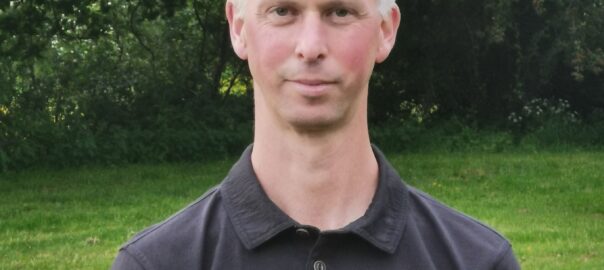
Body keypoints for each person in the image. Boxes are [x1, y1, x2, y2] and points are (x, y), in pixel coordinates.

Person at [112, 0, 521, 269]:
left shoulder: (478, 262)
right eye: (282, 10)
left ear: (385, 30)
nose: (310, 47)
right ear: (238, 27)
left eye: (340, 11)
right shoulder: (155, 264)